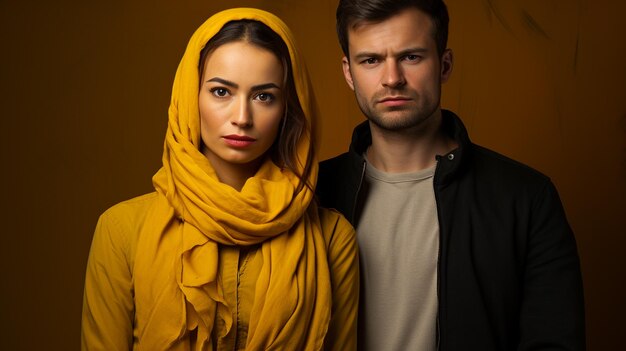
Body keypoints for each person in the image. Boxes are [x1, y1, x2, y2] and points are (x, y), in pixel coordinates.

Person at [81, 8, 358, 350]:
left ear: (288, 108)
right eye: (221, 92)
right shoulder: (121, 230)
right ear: (189, 97)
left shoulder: (332, 239)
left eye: (264, 96)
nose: (242, 118)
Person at [316, 0, 585, 350]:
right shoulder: (311, 195)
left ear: (444, 65)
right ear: (349, 72)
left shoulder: (526, 198)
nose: (392, 78)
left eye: (411, 57)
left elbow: (554, 342)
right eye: (371, 60)